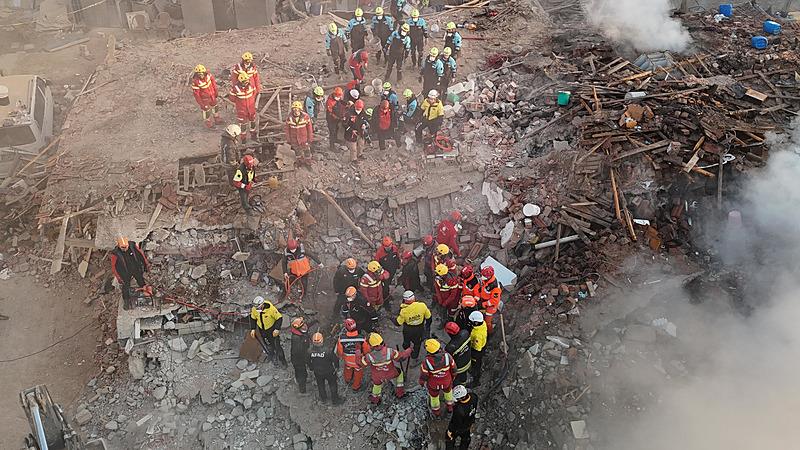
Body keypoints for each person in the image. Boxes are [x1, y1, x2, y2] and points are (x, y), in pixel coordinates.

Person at [359, 333, 412, 405]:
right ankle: (400, 392)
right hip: (391, 373)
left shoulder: (369, 356)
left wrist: (358, 352)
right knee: (399, 373)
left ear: (371, 346)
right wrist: (408, 351)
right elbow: (401, 357)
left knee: (377, 385)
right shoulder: (390, 351)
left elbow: (361, 364)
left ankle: (375, 399)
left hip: (377, 377)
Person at [418, 338, 456, 416]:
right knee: (448, 393)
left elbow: (424, 375)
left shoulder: (426, 362)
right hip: (446, 382)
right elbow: (454, 369)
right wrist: (453, 378)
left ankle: (436, 412)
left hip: (434, 384)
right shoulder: (447, 356)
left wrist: (421, 382)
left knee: (434, 397)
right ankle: (450, 407)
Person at [111, 237, 150, 310]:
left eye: (126, 247)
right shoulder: (115, 254)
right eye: (122, 247)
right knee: (126, 286)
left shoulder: (132, 246)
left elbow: (141, 255)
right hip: (125, 272)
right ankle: (126, 301)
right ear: (119, 246)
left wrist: (146, 264)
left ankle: (146, 294)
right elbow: (114, 267)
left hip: (135, 268)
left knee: (141, 281)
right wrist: (119, 278)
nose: (125, 249)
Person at [249, 297, 288, 366]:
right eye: (256, 307)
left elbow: (279, 318)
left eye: (258, 307)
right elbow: (253, 318)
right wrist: (253, 329)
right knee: (268, 344)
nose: (257, 309)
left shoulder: (271, 309)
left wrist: (277, 329)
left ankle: (282, 360)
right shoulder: (254, 309)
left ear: (262, 305)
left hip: (271, 330)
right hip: (262, 330)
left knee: (277, 346)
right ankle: (271, 354)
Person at [336, 318, 371, 391]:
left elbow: (340, 351)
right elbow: (367, 350)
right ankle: (356, 387)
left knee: (347, 369)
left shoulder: (341, 339)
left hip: (348, 361)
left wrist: (343, 356)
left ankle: (347, 380)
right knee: (358, 373)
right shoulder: (362, 338)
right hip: (358, 362)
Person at [308, 332, 342, 404]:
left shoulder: (309, 351)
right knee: (333, 384)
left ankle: (323, 398)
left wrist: (311, 368)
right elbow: (335, 359)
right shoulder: (328, 350)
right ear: (322, 340)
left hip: (317, 372)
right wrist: (337, 367)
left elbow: (307, 361)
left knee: (320, 385)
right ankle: (335, 400)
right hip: (329, 371)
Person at [396, 290, 431, 359]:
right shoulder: (422, 306)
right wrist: (427, 328)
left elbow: (398, 323)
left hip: (408, 330)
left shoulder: (403, 310)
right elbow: (429, 318)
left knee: (406, 341)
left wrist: (391, 318)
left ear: (404, 300)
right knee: (417, 343)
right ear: (414, 298)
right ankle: (414, 356)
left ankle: (407, 350)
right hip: (419, 329)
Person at [228, 72, 258, 143]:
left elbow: (254, 93)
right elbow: (232, 98)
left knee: (253, 122)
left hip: (251, 109)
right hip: (242, 110)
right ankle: (243, 139)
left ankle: (253, 136)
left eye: (247, 81)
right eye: (244, 82)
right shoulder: (235, 89)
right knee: (243, 125)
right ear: (240, 82)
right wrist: (240, 103)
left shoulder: (251, 86)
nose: (246, 83)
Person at [446, 385, 478, 450]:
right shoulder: (474, 397)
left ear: (462, 398)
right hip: (469, 424)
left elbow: (455, 422)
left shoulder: (459, 410)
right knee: (465, 439)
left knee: (449, 438)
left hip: (459, 428)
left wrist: (450, 430)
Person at [190, 64, 221, 128]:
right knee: (206, 110)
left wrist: (216, 92)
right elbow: (196, 95)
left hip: (212, 95)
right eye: (199, 74)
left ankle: (217, 118)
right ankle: (208, 123)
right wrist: (201, 104)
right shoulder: (195, 82)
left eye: (202, 74)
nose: (201, 75)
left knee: (215, 106)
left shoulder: (208, 75)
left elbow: (213, 83)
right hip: (204, 99)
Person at [375, 236, 401, 304]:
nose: (388, 248)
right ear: (383, 246)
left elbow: (398, 257)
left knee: (388, 284)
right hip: (384, 273)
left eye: (389, 246)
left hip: (392, 270)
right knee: (385, 287)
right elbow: (376, 264)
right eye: (386, 246)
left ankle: (387, 295)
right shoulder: (379, 252)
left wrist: (398, 266)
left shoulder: (395, 248)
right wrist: (380, 274)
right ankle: (385, 301)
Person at [478, 266, 502, 334]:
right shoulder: (486, 280)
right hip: (484, 300)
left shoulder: (495, 287)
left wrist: (483, 304)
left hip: (491, 306)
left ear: (489, 276)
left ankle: (489, 333)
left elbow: (494, 301)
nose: (482, 277)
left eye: (483, 276)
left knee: (487, 321)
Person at [289, 317, 310, 393]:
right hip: (298, 360)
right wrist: (307, 358)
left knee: (301, 372)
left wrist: (316, 321)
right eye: (303, 325)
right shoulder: (297, 339)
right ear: (298, 328)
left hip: (300, 358)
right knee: (301, 374)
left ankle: (302, 378)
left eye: (304, 324)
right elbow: (298, 352)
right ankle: (302, 390)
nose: (305, 326)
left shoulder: (300, 332)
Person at [468, 311, 487, 386]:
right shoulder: (483, 324)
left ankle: (476, 381)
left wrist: (472, 354)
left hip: (477, 351)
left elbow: (477, 348)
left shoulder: (477, 335)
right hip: (483, 345)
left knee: (476, 365)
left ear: (476, 322)